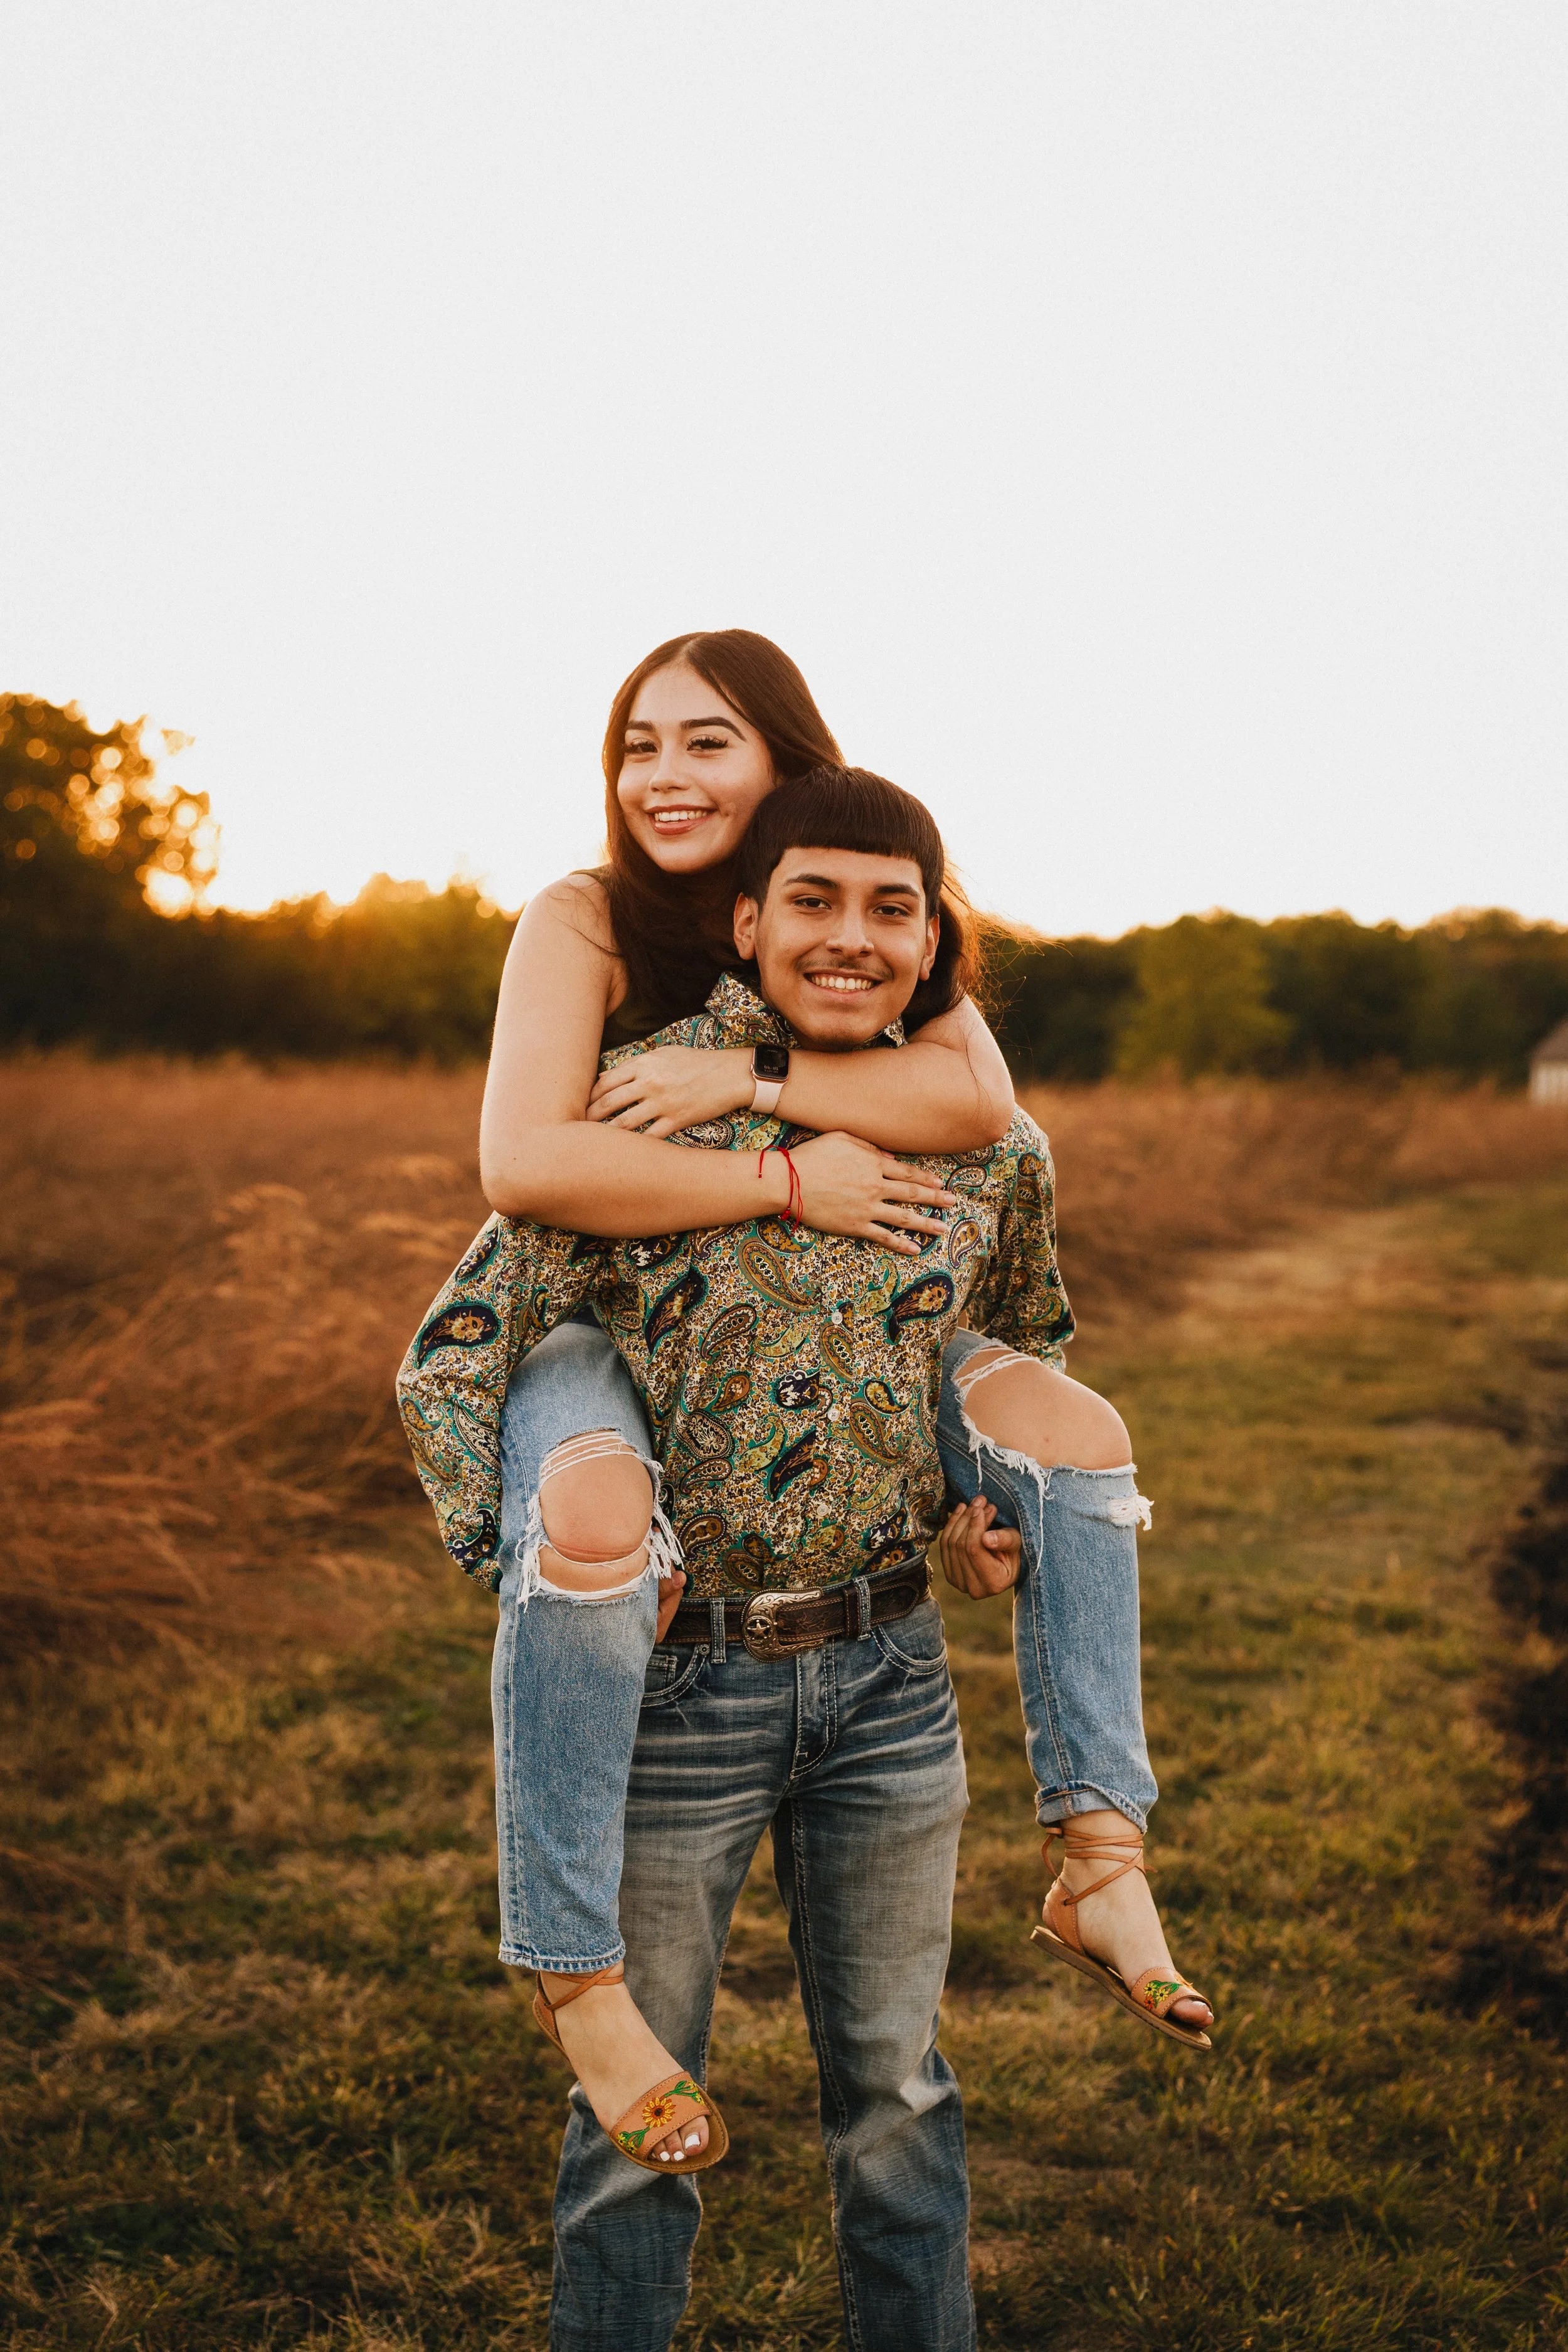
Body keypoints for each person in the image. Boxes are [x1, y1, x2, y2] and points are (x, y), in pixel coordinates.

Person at [399, 766, 1212, 2350]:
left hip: (890, 1683)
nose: (852, 940)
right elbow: (462, 1347)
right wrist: (541, 1556)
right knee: (634, 2148)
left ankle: (1098, 1871)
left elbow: (1015, 1338)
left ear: (933, 941)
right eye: (815, 903)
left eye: (891, 910)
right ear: (747, 923)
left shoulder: (989, 1146)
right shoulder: (641, 1095)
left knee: (900, 2101)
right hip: (681, 1695)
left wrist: (982, 1518)